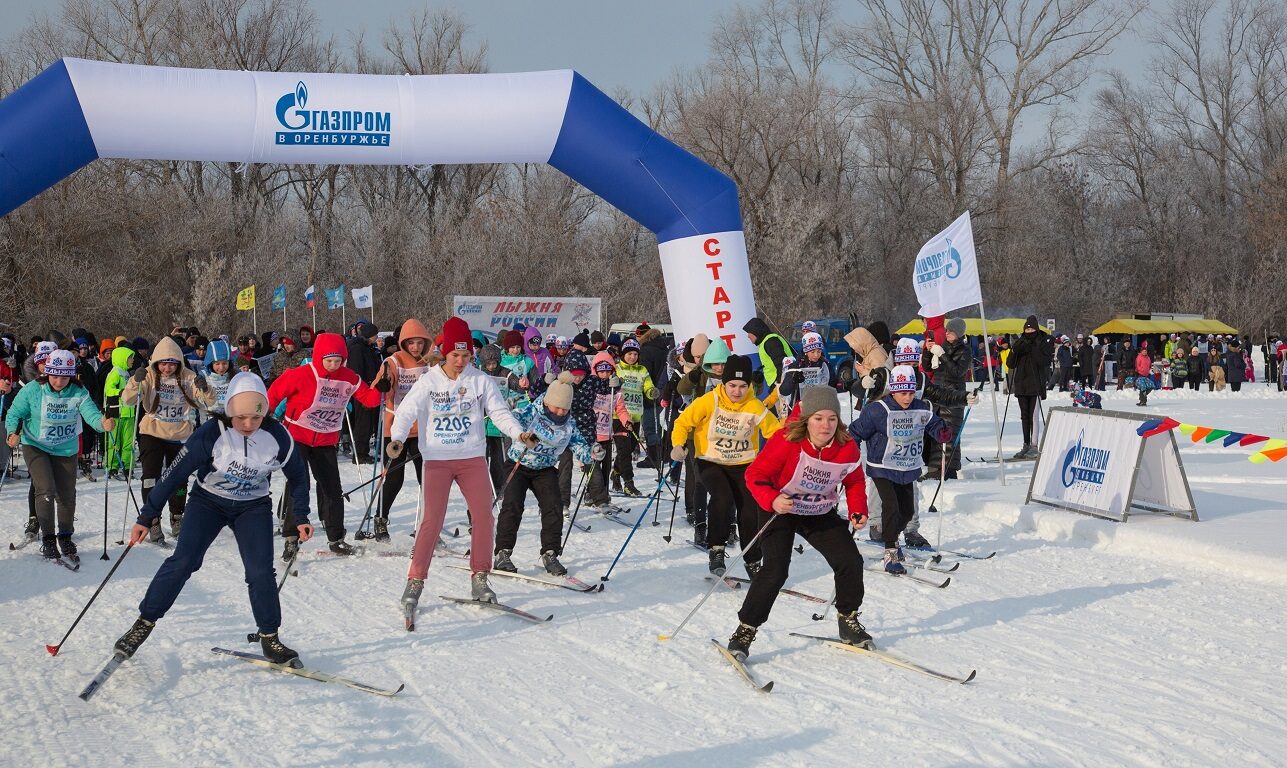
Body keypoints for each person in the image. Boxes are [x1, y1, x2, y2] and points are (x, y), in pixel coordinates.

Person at [110, 373, 314, 665]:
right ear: (229, 411)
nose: (247, 425)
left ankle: (270, 638)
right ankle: (143, 623)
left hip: (252, 507)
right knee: (183, 561)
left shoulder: (277, 437)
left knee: (259, 571)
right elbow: (174, 476)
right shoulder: (210, 433)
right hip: (208, 502)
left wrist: (301, 515)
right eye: (240, 417)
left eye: (255, 419)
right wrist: (147, 516)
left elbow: (298, 476)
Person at [386, 317, 537, 620]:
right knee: (432, 520)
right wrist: (398, 438)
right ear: (444, 353)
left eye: (466, 355)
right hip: (438, 460)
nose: (460, 361)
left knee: (483, 516)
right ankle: (415, 582)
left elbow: (499, 412)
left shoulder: (479, 380)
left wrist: (518, 433)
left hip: (471, 459)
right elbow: (406, 411)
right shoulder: (429, 380)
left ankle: (479, 577)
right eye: (455, 355)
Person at [727, 385, 871, 660]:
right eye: (818, 418)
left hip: (818, 510)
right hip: (781, 508)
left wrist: (858, 509)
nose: (825, 425)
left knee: (850, 560)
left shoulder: (845, 445)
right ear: (807, 419)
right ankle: (745, 630)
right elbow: (755, 475)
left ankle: (848, 619)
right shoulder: (787, 439)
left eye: (831, 418)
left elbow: (853, 480)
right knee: (776, 570)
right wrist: (772, 500)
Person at [268, 332, 381, 557]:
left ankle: (336, 538)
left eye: (338, 361)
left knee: (332, 489)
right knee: (298, 485)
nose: (332, 365)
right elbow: (272, 395)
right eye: (328, 360)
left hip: (326, 440)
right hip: (298, 437)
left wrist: (381, 384)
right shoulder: (300, 374)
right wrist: (262, 420)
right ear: (319, 357)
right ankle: (291, 538)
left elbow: (370, 399)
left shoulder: (348, 377)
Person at [670, 354, 782, 575]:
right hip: (711, 461)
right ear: (724, 383)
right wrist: (677, 445)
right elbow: (683, 422)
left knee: (750, 511)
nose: (737, 391)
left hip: (744, 464)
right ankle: (716, 549)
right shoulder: (709, 401)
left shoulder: (754, 406)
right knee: (723, 498)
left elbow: (776, 432)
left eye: (742, 386)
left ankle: (752, 559)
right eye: (732, 385)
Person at [5, 350, 110, 562]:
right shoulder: (34, 390)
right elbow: (15, 413)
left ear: (71, 376)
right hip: (36, 445)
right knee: (45, 489)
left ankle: (65, 535)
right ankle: (48, 538)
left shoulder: (78, 392)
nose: (59, 381)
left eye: (64, 376)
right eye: (54, 376)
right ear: (47, 373)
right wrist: (11, 433)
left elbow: (90, 412)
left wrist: (101, 423)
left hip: (65, 448)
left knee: (66, 493)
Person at [493, 372, 598, 577]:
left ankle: (550, 553)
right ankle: (503, 553)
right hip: (519, 463)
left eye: (564, 408)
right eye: (556, 406)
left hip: (545, 468)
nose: (560, 412)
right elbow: (511, 420)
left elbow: (579, 444)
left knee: (553, 506)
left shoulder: (568, 424)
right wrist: (515, 419)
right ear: (548, 401)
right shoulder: (533, 411)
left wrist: (591, 454)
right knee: (513, 505)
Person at [850, 365, 952, 574]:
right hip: (883, 466)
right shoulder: (879, 409)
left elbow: (933, 423)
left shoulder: (921, 407)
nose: (907, 398)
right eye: (902, 393)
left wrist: (941, 432)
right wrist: (850, 449)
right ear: (893, 390)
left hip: (907, 467)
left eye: (910, 392)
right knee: (891, 506)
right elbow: (857, 430)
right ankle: (890, 552)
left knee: (907, 511)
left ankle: (892, 538)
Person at [122, 336, 216, 543]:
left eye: (171, 363)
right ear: (156, 362)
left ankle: (177, 516)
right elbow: (127, 400)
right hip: (152, 432)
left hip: (180, 433)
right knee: (151, 477)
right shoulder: (148, 375)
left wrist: (205, 387)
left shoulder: (188, 377)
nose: (167, 368)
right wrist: (134, 381)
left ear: (178, 363)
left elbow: (210, 401)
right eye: (163, 363)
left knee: (179, 478)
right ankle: (152, 519)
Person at [371, 319, 432, 541]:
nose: (415, 347)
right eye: (411, 343)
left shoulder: (430, 361)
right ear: (403, 343)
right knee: (394, 477)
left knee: (426, 477)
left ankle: (429, 522)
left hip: (423, 427)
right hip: (396, 428)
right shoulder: (393, 360)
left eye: (419, 343)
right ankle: (381, 519)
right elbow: (380, 383)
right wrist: (383, 383)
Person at [614, 338, 658, 497]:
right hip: (618, 417)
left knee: (626, 450)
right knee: (624, 452)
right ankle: (629, 483)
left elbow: (648, 385)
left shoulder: (642, 370)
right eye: (629, 354)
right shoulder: (617, 368)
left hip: (636, 416)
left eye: (635, 354)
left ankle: (615, 473)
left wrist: (651, 391)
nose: (632, 357)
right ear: (623, 354)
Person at [1006, 316, 1053, 458]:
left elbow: (1044, 361)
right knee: (1024, 416)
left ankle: (1034, 445)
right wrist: (1015, 350)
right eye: (1027, 329)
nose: (1029, 331)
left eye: (1031, 328)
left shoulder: (1042, 342)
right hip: (1021, 384)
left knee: (1033, 416)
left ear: (1036, 328)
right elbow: (1010, 364)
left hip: (1036, 384)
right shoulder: (1021, 342)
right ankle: (1026, 444)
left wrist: (1032, 349)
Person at [346, 321, 383, 464]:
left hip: (370, 387)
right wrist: (364, 384)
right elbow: (356, 369)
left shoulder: (368, 348)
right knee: (363, 422)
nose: (376, 338)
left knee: (367, 422)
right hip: (362, 389)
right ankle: (360, 453)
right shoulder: (357, 348)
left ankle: (363, 450)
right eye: (375, 335)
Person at [742, 317, 792, 392]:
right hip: (781, 383)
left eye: (749, 332)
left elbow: (782, 363)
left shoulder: (771, 341)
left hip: (782, 384)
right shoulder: (765, 342)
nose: (748, 336)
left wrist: (778, 384)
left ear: (756, 331)